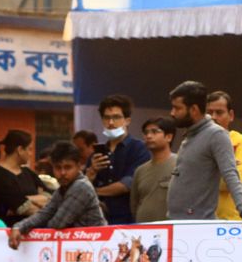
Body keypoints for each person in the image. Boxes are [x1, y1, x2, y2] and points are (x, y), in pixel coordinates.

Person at [166, 81, 242, 224]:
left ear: (194, 109)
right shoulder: (191, 135)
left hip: (199, 225)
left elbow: (230, 175)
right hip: (178, 222)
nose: (172, 113)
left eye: (177, 108)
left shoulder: (216, 134)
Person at [9, 141, 106, 249]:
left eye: (68, 167)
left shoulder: (81, 187)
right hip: (82, 247)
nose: (62, 173)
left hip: (96, 247)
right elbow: (45, 213)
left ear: (78, 166)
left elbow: (57, 224)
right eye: (58, 168)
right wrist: (18, 227)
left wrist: (27, 227)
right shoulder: (63, 189)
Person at [84, 94, 150, 225]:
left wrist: (95, 192)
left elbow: (127, 185)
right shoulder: (96, 153)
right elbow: (82, 186)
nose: (111, 123)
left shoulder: (139, 148)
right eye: (106, 118)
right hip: (98, 220)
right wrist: (91, 172)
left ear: (127, 120)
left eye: (116, 117)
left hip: (128, 220)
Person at [206, 91, 242, 222]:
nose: (213, 117)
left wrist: (205, 171)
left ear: (231, 115)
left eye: (219, 112)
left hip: (233, 222)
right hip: (203, 221)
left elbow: (231, 183)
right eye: (209, 113)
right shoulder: (196, 144)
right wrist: (223, 169)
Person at [0, 130, 49, 227]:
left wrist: (26, 199)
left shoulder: (28, 173)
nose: (31, 154)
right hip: (8, 230)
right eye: (29, 149)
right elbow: (27, 209)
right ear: (20, 150)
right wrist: (37, 200)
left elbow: (49, 198)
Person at [130, 117, 177, 222]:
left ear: (169, 137)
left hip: (170, 228)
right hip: (144, 228)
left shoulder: (180, 165)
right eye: (146, 132)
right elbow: (134, 204)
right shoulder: (140, 170)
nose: (149, 136)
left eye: (154, 132)